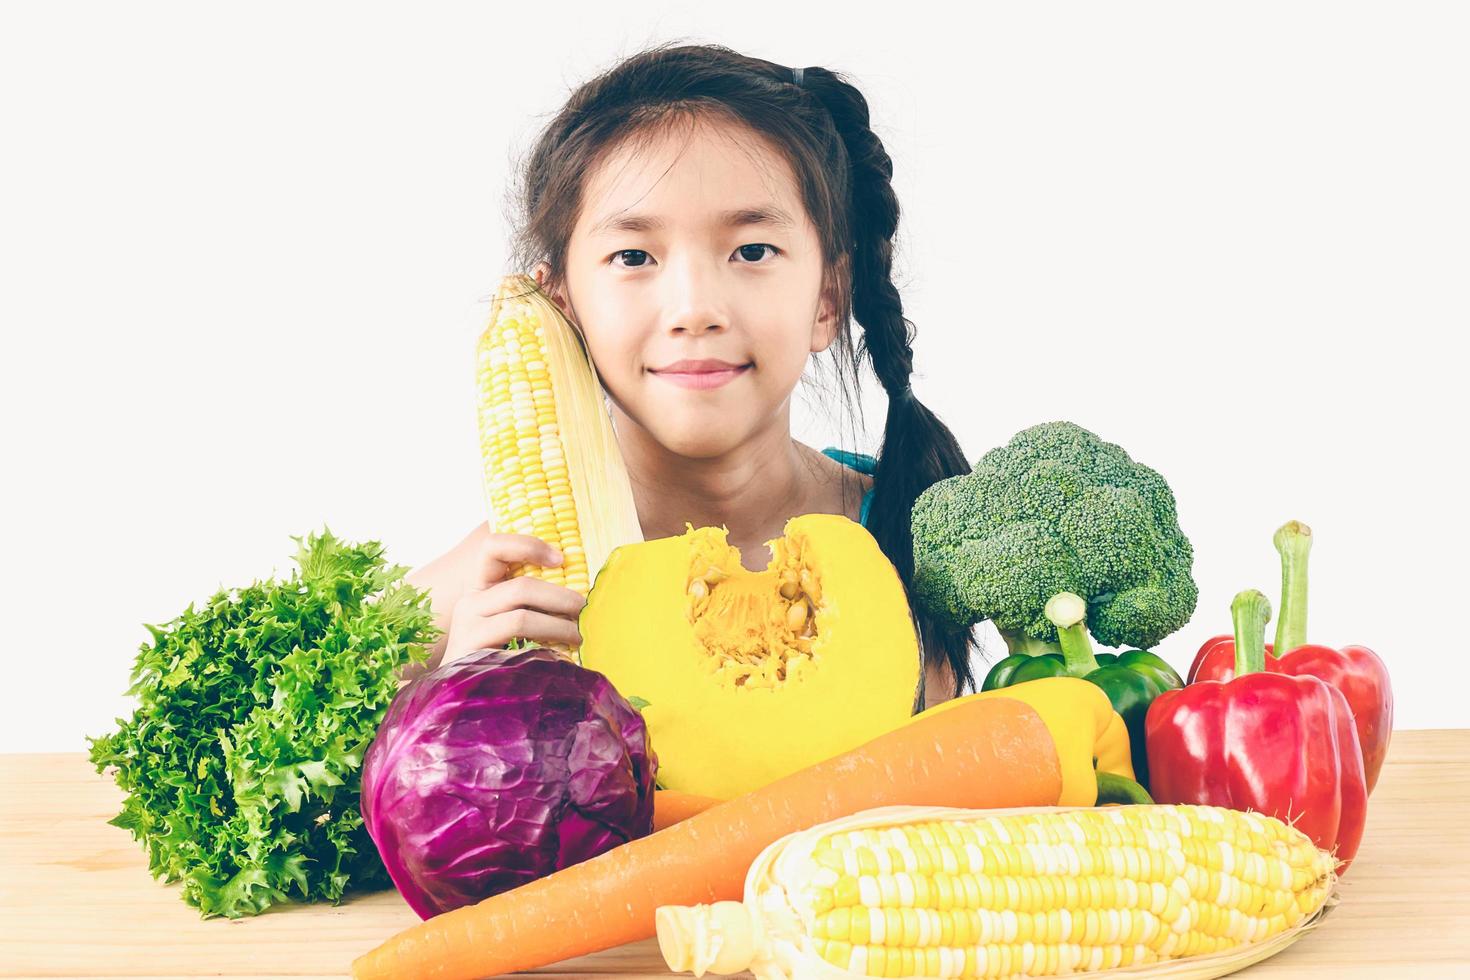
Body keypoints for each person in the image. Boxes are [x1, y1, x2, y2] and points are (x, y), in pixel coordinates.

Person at [408, 43, 975, 707]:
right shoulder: (480, 592)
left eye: (752, 251)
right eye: (633, 256)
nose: (695, 309)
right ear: (562, 308)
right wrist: (452, 713)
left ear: (828, 299)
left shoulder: (916, 549)